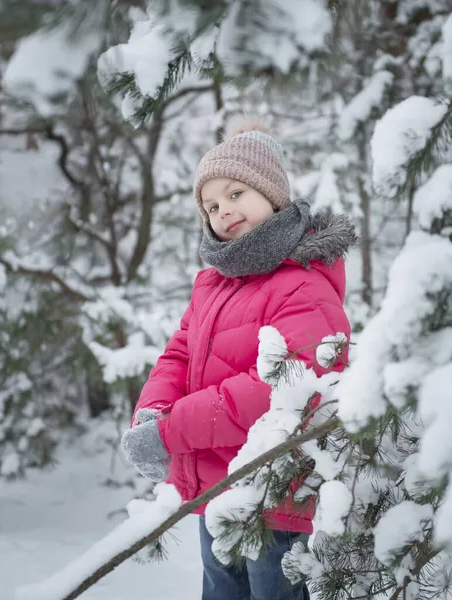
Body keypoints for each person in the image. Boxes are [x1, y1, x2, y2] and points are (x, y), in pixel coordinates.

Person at [121, 119, 357, 600]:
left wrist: (171, 432)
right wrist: (151, 411)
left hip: (278, 498)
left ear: (271, 193)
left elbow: (281, 389)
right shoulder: (213, 286)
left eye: (236, 193)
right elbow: (178, 354)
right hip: (219, 492)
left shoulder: (303, 284)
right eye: (211, 204)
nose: (223, 211)